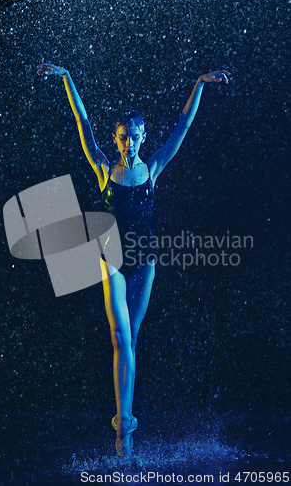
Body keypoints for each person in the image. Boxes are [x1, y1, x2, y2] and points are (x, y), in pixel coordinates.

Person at [37, 63, 230, 457]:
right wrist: (67, 78)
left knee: (132, 341)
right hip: (111, 259)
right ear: (116, 139)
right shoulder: (104, 169)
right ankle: (123, 430)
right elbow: (82, 121)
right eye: (122, 138)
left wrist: (198, 85)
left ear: (143, 136)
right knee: (119, 337)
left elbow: (182, 127)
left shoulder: (153, 168)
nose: (129, 144)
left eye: (134, 137)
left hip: (145, 261)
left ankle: (128, 421)